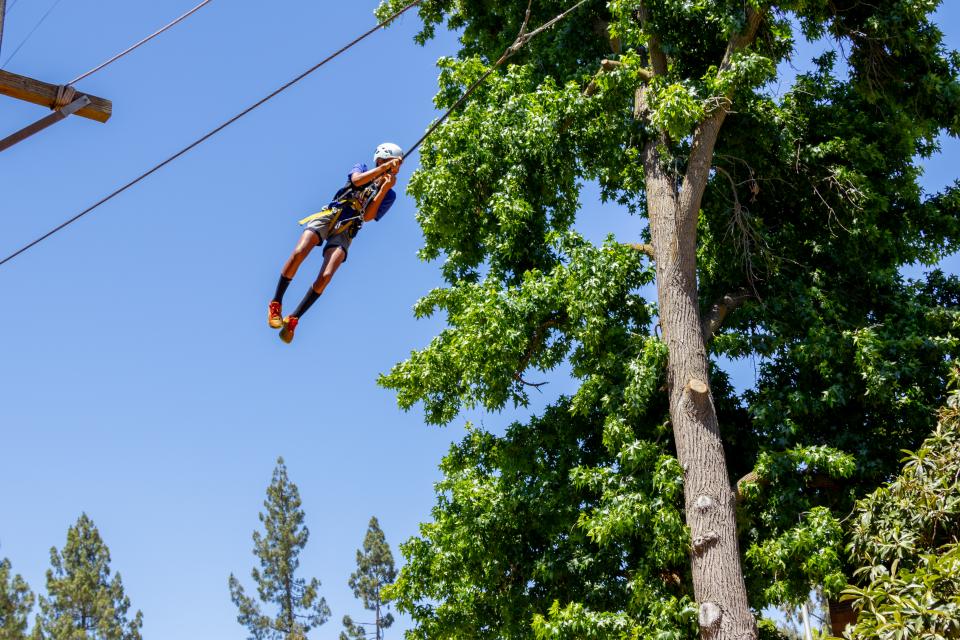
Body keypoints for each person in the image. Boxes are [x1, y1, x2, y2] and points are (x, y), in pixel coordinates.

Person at [268, 142, 403, 343]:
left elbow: (367, 217)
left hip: (347, 228)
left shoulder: (390, 194)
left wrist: (384, 188)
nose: (388, 168)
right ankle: (276, 302)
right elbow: (356, 181)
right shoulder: (363, 169)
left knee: (327, 275)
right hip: (332, 214)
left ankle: (294, 318)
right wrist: (382, 171)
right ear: (380, 160)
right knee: (299, 252)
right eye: (385, 163)